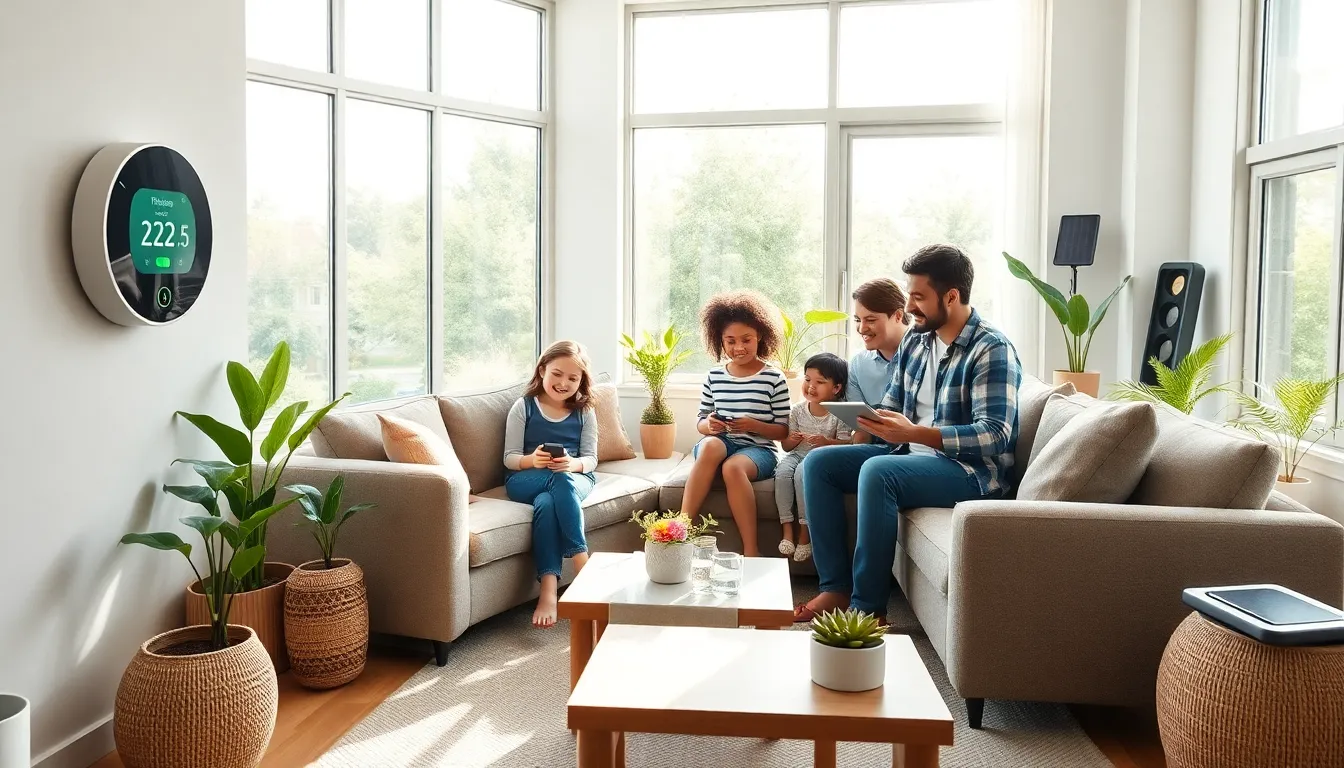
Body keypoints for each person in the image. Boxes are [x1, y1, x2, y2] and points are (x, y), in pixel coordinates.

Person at [795, 244, 1021, 623]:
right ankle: (834, 588)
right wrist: (874, 420)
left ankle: (867, 611)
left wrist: (916, 432)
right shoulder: (917, 341)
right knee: (819, 464)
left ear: (951, 296)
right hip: (909, 454)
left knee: (878, 472)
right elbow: (893, 403)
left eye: (919, 296)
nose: (910, 305)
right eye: (909, 294)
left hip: (969, 472)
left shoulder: (990, 349)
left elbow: (995, 434)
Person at [684, 290, 791, 557]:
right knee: (711, 446)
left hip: (759, 451)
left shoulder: (774, 378)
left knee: (732, 468)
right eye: (730, 341)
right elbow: (701, 420)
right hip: (720, 443)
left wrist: (753, 425)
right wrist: (709, 425)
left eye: (746, 340)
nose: (738, 348)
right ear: (719, 340)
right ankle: (681, 529)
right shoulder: (714, 376)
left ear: (760, 337)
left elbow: (783, 431)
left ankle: (751, 550)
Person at [502, 340, 601, 629]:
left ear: (581, 381)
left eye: (573, 378)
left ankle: (548, 591)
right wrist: (532, 460)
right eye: (557, 374)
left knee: (547, 500)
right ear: (542, 369)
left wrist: (572, 464)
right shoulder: (524, 407)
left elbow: (591, 459)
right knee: (555, 478)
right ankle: (582, 562)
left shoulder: (585, 411)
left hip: (574, 476)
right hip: (525, 478)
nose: (563, 383)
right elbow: (509, 458)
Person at [776, 352, 853, 562]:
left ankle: (804, 534)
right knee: (782, 473)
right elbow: (786, 447)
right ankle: (787, 531)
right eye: (808, 379)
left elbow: (847, 445)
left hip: (820, 458)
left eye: (820, 382)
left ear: (836, 388)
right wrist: (791, 439)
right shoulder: (797, 410)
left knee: (802, 474)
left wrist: (826, 442)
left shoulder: (840, 413)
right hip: (797, 454)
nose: (811, 386)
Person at [847, 277, 911, 410]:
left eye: (870, 320)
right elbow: (859, 420)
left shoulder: (926, 357)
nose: (861, 329)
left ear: (898, 316)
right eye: (858, 320)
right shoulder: (858, 365)